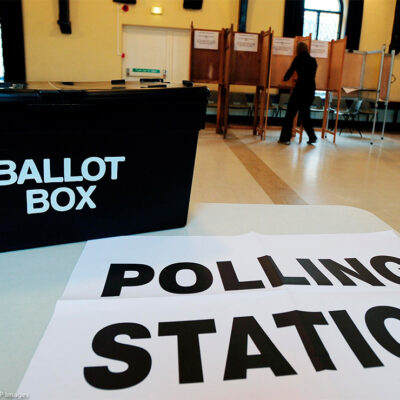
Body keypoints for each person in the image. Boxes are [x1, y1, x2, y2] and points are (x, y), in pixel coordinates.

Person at [278, 41, 318, 145]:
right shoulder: (313, 61)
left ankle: (285, 138)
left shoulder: (298, 59)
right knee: (305, 114)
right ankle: (312, 136)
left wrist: (285, 79)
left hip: (300, 89)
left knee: (290, 114)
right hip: (310, 90)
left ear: (298, 50)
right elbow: (310, 75)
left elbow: (290, 71)